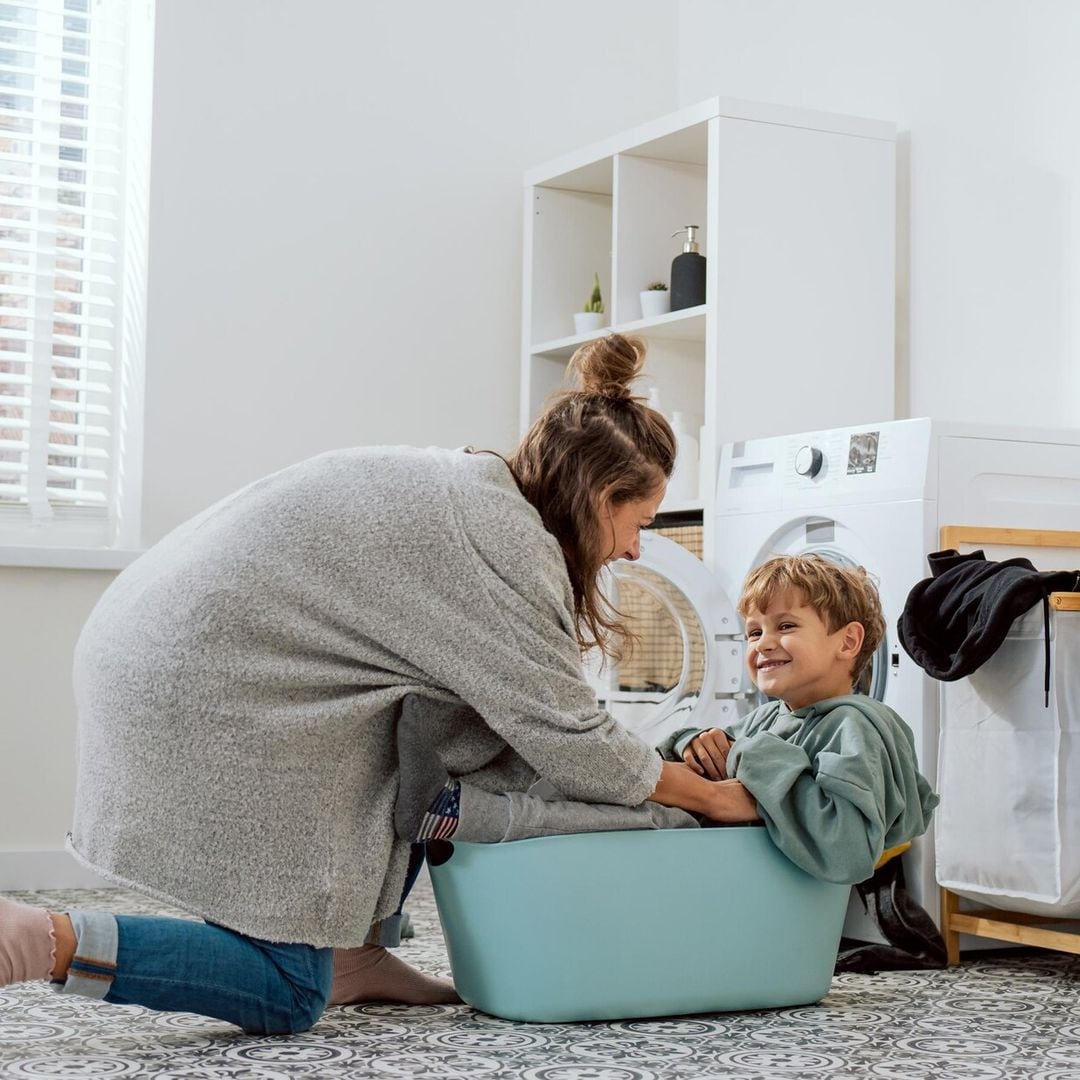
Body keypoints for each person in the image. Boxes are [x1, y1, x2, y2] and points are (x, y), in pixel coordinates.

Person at [0, 333, 740, 1034]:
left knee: (442, 737)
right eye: (636, 520)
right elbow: (572, 739)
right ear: (595, 495)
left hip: (165, 646)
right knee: (285, 990)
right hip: (198, 684)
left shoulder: (479, 492)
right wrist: (707, 795)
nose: (636, 547)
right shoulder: (506, 551)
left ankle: (354, 953)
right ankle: (34, 939)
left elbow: (511, 726)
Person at [402, 553, 937, 891]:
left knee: (629, 820)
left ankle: (457, 812)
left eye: (786, 625)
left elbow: (846, 847)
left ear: (848, 642)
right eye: (753, 633)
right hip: (709, 858)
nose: (764, 643)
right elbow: (736, 754)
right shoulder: (775, 716)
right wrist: (694, 745)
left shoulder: (857, 726)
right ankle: (466, 771)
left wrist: (743, 757)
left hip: (712, 856)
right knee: (608, 778)